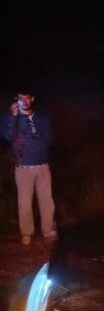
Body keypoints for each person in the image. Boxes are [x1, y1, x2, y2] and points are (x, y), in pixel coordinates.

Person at [0, 89, 57, 245]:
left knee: (47, 200)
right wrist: (13, 117)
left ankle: (47, 230)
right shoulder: (10, 118)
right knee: (24, 202)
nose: (24, 101)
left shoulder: (42, 117)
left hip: (43, 165)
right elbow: (8, 135)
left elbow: (49, 135)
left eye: (26, 98)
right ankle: (26, 233)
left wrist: (42, 148)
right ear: (16, 100)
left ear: (32, 99)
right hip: (23, 167)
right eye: (20, 98)